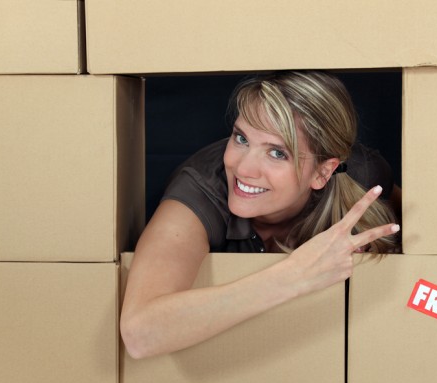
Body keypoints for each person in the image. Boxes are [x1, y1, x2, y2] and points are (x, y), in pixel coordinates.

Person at [120, 71, 401, 359]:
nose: (243, 169)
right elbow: (140, 333)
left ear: (323, 172)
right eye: (241, 138)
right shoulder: (199, 190)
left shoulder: (364, 176)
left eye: (277, 153)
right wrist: (295, 275)